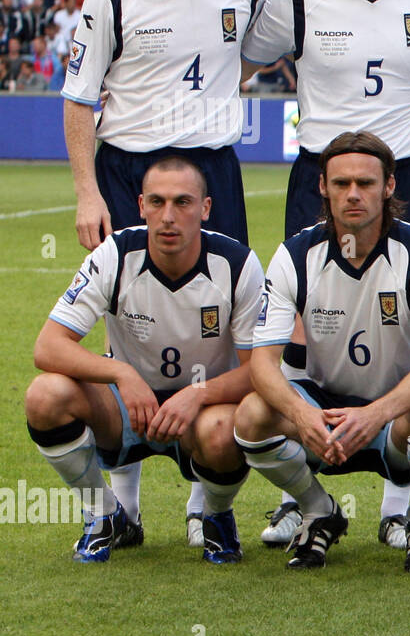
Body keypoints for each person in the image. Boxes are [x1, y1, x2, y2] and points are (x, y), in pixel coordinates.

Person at [242, 0, 410, 551]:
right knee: (303, 331)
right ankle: (302, 497)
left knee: (403, 330)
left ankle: (399, 503)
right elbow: (244, 55)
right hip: (320, 174)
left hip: (403, 173)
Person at [60, 0, 273, 549]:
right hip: (129, 168)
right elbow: (80, 96)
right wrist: (88, 190)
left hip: (212, 167)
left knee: (222, 326)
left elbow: (269, 47)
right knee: (128, 322)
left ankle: (207, 499)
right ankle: (120, 504)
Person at [233, 133, 410, 572]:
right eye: (340, 184)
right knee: (250, 414)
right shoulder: (295, 254)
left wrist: (375, 414)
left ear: (389, 186)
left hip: (395, 416)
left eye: (365, 183)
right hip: (322, 413)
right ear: (322, 187)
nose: (353, 194)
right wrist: (302, 416)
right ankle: (318, 510)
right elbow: (262, 363)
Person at [24, 156, 264, 563]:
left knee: (226, 429)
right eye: (157, 202)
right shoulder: (114, 254)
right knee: (44, 396)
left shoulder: (238, 265)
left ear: (205, 209)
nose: (168, 217)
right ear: (140, 206)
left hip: (200, 416)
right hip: (125, 411)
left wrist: (198, 394)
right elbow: (48, 347)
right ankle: (104, 514)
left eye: (183, 203)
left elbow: (259, 370)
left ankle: (216, 516)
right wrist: (121, 373)